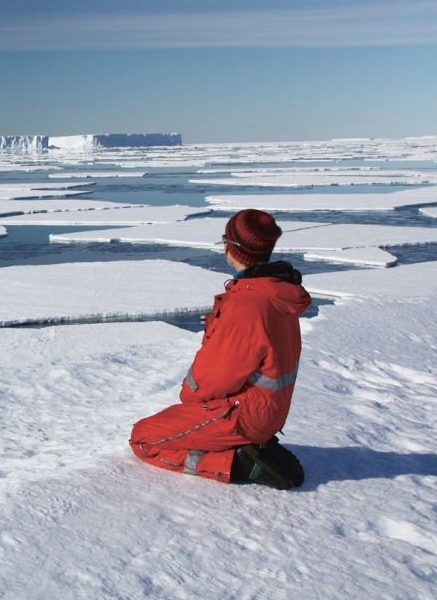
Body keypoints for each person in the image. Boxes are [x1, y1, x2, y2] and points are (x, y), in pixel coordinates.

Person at [129, 208, 310, 489]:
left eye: (226, 238)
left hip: (242, 415)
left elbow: (208, 382)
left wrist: (192, 401)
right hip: (265, 411)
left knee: (144, 438)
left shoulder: (249, 305)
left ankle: (240, 463)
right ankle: (246, 447)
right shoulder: (274, 292)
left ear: (233, 247)